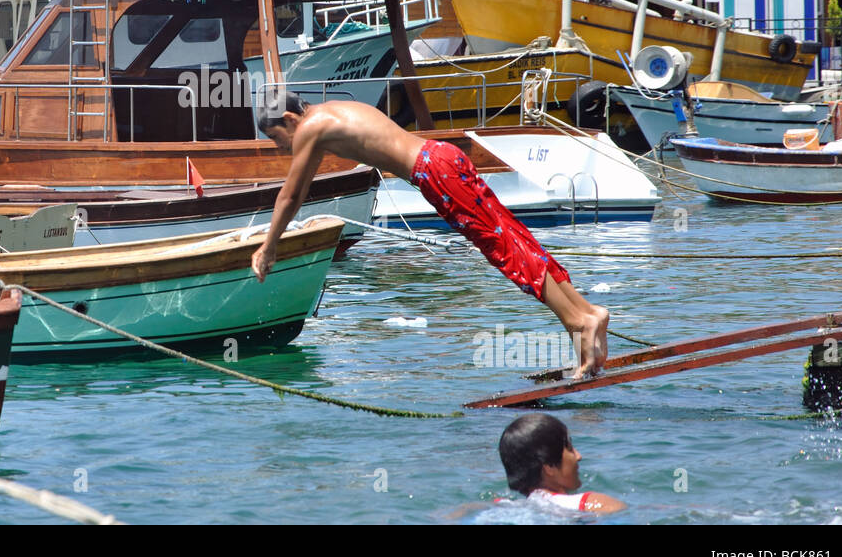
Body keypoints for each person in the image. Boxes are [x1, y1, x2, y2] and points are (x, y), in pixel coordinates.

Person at [250, 91, 609, 377]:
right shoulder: (331, 113)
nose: (279, 147)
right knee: (513, 238)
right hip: (441, 158)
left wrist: (268, 247)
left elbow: (292, 194)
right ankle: (587, 312)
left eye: (275, 137)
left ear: (289, 118)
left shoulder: (312, 126)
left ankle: (576, 321)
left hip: (433, 170)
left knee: (505, 249)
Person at [498, 413, 625, 513]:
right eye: (570, 449)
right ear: (549, 467)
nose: (578, 456)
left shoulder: (503, 507)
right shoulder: (593, 504)